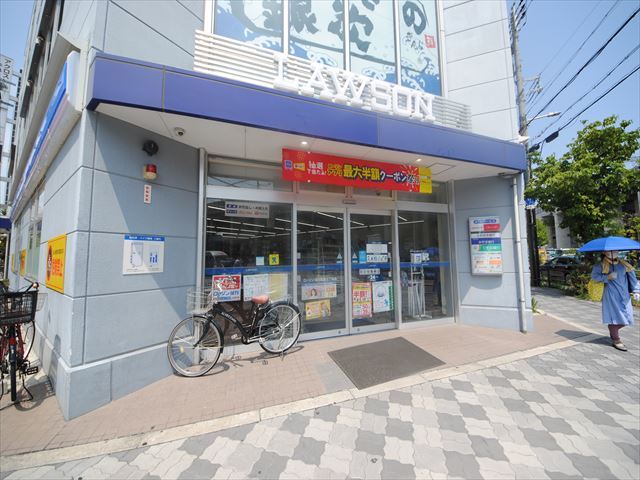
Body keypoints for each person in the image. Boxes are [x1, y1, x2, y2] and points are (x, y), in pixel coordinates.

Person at [591, 251, 640, 351]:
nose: (613, 252)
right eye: (610, 251)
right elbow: (594, 277)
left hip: (624, 295)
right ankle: (616, 339)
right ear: (604, 252)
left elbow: (633, 279)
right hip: (610, 295)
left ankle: (612, 329)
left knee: (628, 317)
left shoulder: (625, 265)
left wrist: (636, 291)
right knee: (615, 317)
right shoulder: (600, 265)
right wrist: (607, 277)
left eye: (615, 250)